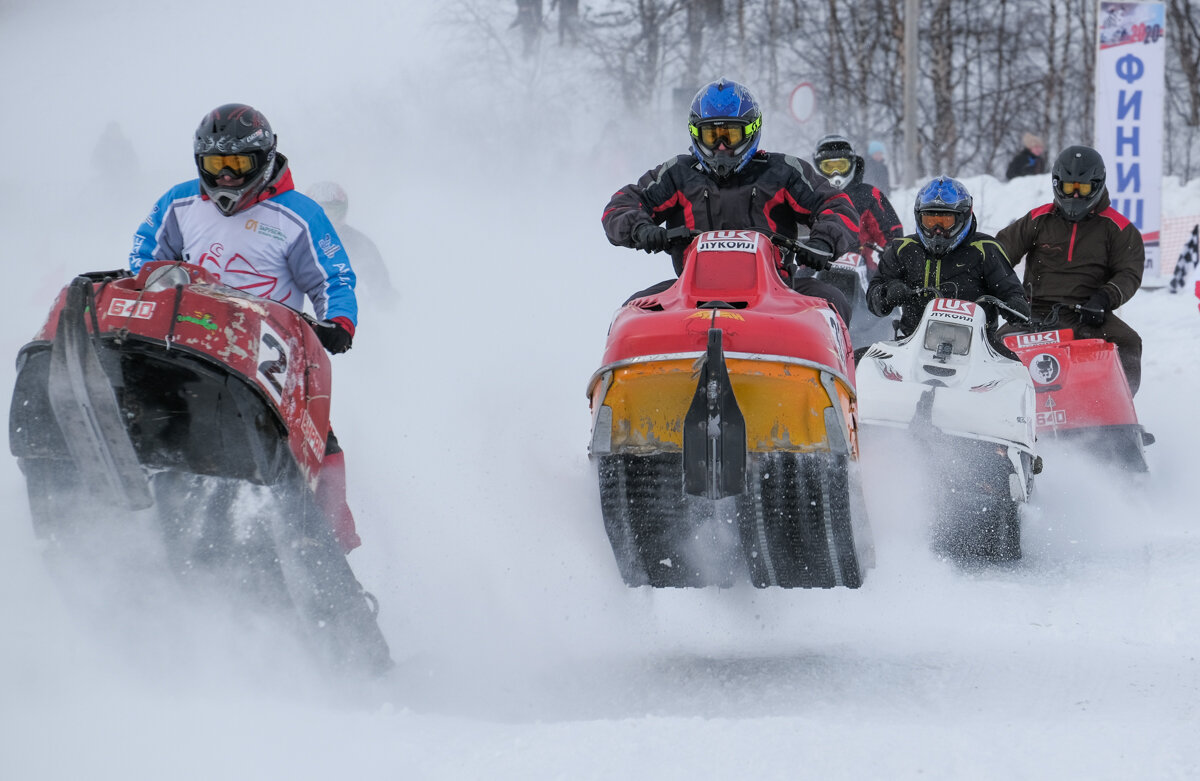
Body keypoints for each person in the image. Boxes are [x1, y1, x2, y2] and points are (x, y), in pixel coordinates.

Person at [130, 103, 363, 553]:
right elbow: (146, 248)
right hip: (187, 337)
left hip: (270, 352)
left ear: (264, 159)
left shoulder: (298, 214)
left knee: (322, 443)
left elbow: (333, 275)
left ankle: (332, 543)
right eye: (216, 166)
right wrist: (152, 280)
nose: (227, 178)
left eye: (237, 164)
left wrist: (339, 322)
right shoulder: (179, 202)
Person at [602, 79, 859, 323]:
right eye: (712, 137)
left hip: (777, 291)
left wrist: (824, 241)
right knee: (631, 312)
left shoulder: (784, 172)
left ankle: (832, 368)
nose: (721, 147)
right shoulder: (677, 174)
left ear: (751, 131)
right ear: (695, 134)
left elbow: (837, 204)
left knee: (833, 303)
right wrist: (640, 229)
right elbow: (621, 205)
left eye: (730, 136)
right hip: (690, 293)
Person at [996, 145, 1145, 394]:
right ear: (1057, 184)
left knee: (1129, 342)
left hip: (1088, 313)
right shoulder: (1037, 219)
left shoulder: (1118, 228)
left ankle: (1119, 406)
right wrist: (1001, 289)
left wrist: (1104, 298)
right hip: (1033, 312)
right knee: (994, 344)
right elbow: (999, 254)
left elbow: (1129, 272)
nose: (1075, 196)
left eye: (1083, 189)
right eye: (1068, 188)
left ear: (1097, 185)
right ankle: (995, 408)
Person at [867, 176, 1029, 340]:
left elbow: (1011, 292)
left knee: (1017, 364)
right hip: (911, 344)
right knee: (865, 360)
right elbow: (873, 298)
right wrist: (887, 293)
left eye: (945, 222)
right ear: (919, 218)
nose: (937, 231)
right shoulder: (902, 249)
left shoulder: (985, 250)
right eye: (931, 222)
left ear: (962, 217)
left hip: (977, 348)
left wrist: (1014, 305)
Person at [812, 134, 904, 272]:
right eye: (829, 167)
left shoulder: (868, 195)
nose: (836, 173)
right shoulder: (807, 195)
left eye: (841, 166)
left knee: (882, 287)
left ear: (852, 164)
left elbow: (892, 233)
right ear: (819, 167)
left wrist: (891, 252)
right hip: (812, 264)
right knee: (792, 284)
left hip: (860, 267)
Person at [305, 181, 398, 308]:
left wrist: (386, 305)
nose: (327, 219)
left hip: (345, 312)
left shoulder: (361, 245)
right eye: (320, 212)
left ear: (342, 211)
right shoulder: (292, 237)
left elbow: (380, 287)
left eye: (332, 212)